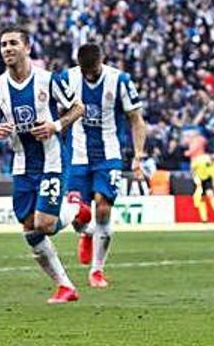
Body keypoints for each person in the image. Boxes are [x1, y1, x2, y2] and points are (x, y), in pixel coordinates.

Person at [0, 26, 89, 303]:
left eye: (13, 43)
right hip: (21, 165)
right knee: (30, 228)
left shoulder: (48, 80)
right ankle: (66, 287)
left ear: (27, 47)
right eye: (3, 44)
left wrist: (56, 125)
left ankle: (77, 209)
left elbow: (78, 108)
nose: (7, 48)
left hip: (52, 160)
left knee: (45, 223)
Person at [64, 43, 148, 288]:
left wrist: (138, 155)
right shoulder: (67, 78)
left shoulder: (119, 80)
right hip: (77, 155)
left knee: (103, 208)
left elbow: (137, 120)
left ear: (102, 61)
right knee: (75, 215)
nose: (89, 76)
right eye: (85, 71)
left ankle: (97, 271)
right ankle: (87, 233)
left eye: (93, 70)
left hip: (108, 155)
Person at [185, 132, 214, 223]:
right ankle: (204, 219)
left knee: (211, 195)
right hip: (198, 177)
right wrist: (196, 179)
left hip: (207, 179)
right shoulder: (201, 160)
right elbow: (192, 168)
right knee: (200, 199)